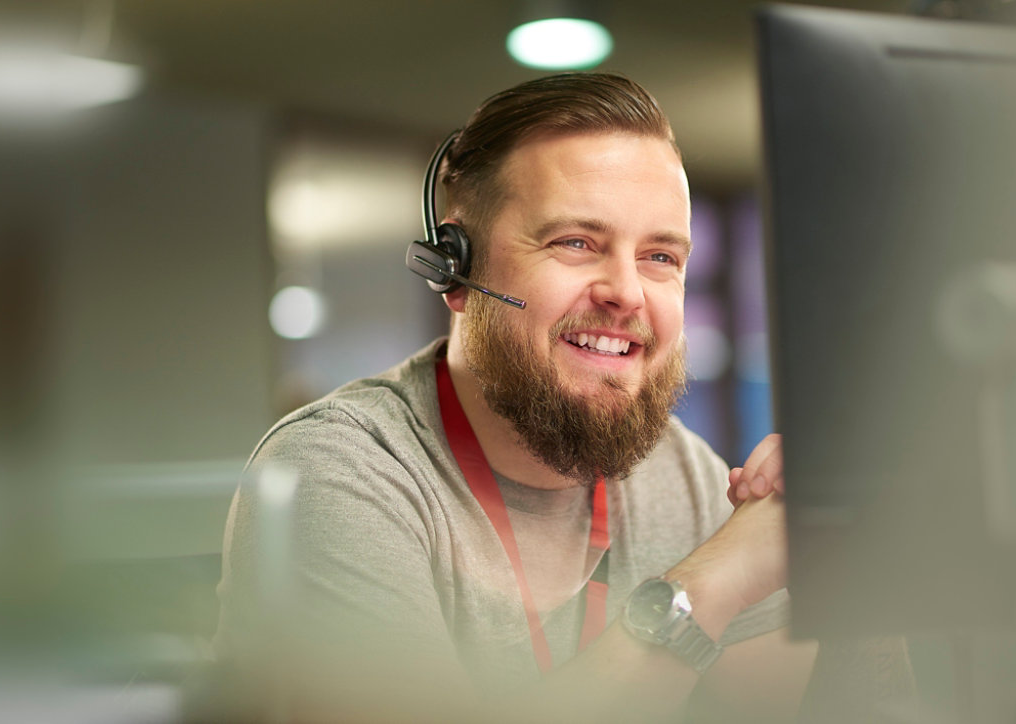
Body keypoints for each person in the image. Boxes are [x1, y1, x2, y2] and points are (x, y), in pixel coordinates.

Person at [213, 72, 913, 723]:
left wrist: (843, 546)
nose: (627, 292)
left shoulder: (684, 474)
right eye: (578, 242)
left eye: (661, 257)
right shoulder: (337, 474)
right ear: (456, 272)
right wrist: (714, 582)